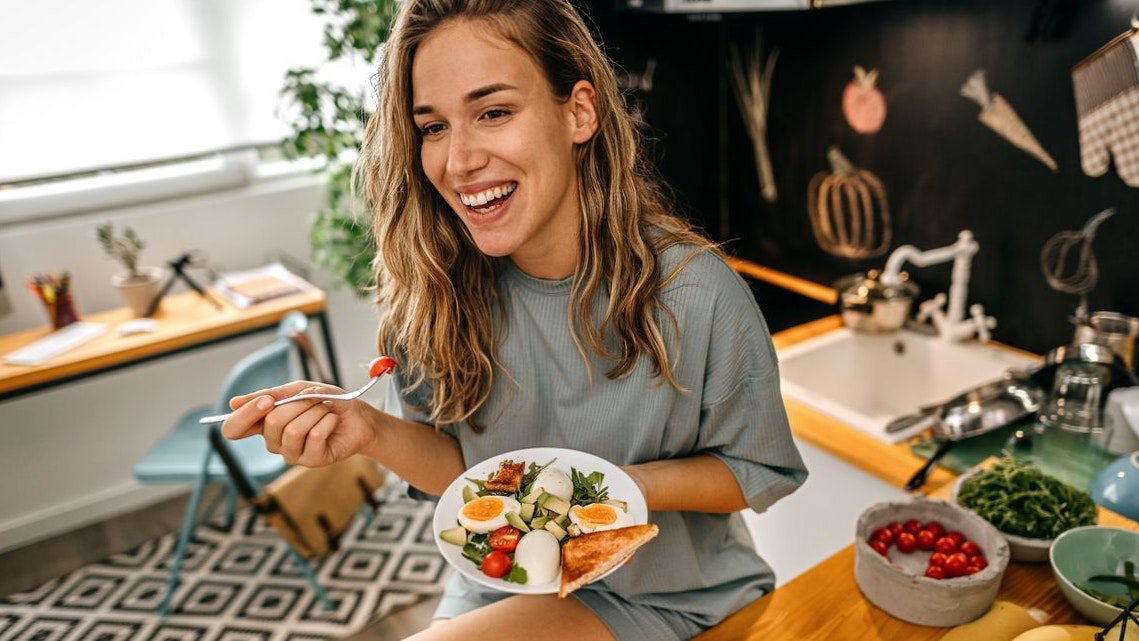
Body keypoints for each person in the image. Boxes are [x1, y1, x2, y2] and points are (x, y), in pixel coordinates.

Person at [220, 0, 807, 638]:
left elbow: (755, 472)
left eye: (494, 112)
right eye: (433, 126)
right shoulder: (434, 290)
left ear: (579, 112)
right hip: (496, 579)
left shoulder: (695, 293)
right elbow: (466, 475)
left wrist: (605, 487)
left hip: (662, 593)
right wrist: (368, 429)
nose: (458, 160)